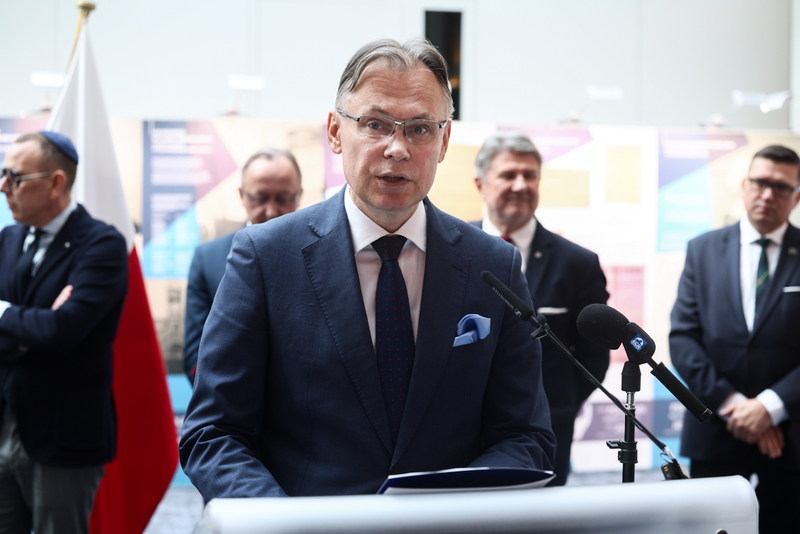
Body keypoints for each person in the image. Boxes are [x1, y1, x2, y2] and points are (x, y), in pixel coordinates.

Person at [179, 38, 555, 500]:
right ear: (336, 132)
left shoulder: (493, 265)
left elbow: (525, 436)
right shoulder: (264, 257)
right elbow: (214, 434)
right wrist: (281, 524)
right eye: (375, 124)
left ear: (444, 142)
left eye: (419, 129)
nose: (397, 148)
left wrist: (453, 510)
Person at [0, 132, 128, 533]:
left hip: (63, 437)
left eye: (15, 177)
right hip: (6, 422)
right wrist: (33, 327)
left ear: (56, 182)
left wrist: (4, 314)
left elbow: (64, 330)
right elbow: (51, 329)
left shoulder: (102, 244)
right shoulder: (8, 239)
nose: (4, 186)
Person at [670, 145, 800, 533]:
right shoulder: (703, 249)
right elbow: (684, 338)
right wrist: (737, 406)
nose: (767, 194)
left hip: (791, 434)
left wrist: (770, 407)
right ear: (744, 186)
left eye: (781, 187)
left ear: (796, 196)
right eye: (760, 182)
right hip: (716, 428)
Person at [472, 131, 609, 486]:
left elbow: (593, 357)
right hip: (461, 428)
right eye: (508, 175)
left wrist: (558, 408)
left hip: (546, 434)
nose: (521, 184)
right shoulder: (451, 251)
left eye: (530, 175)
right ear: (480, 184)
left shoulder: (578, 263)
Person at [183, 148, 302, 385]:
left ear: (299, 196)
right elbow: (196, 358)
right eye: (260, 198)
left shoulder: (324, 255)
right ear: (242, 195)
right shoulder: (208, 259)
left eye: (283, 198)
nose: (271, 211)